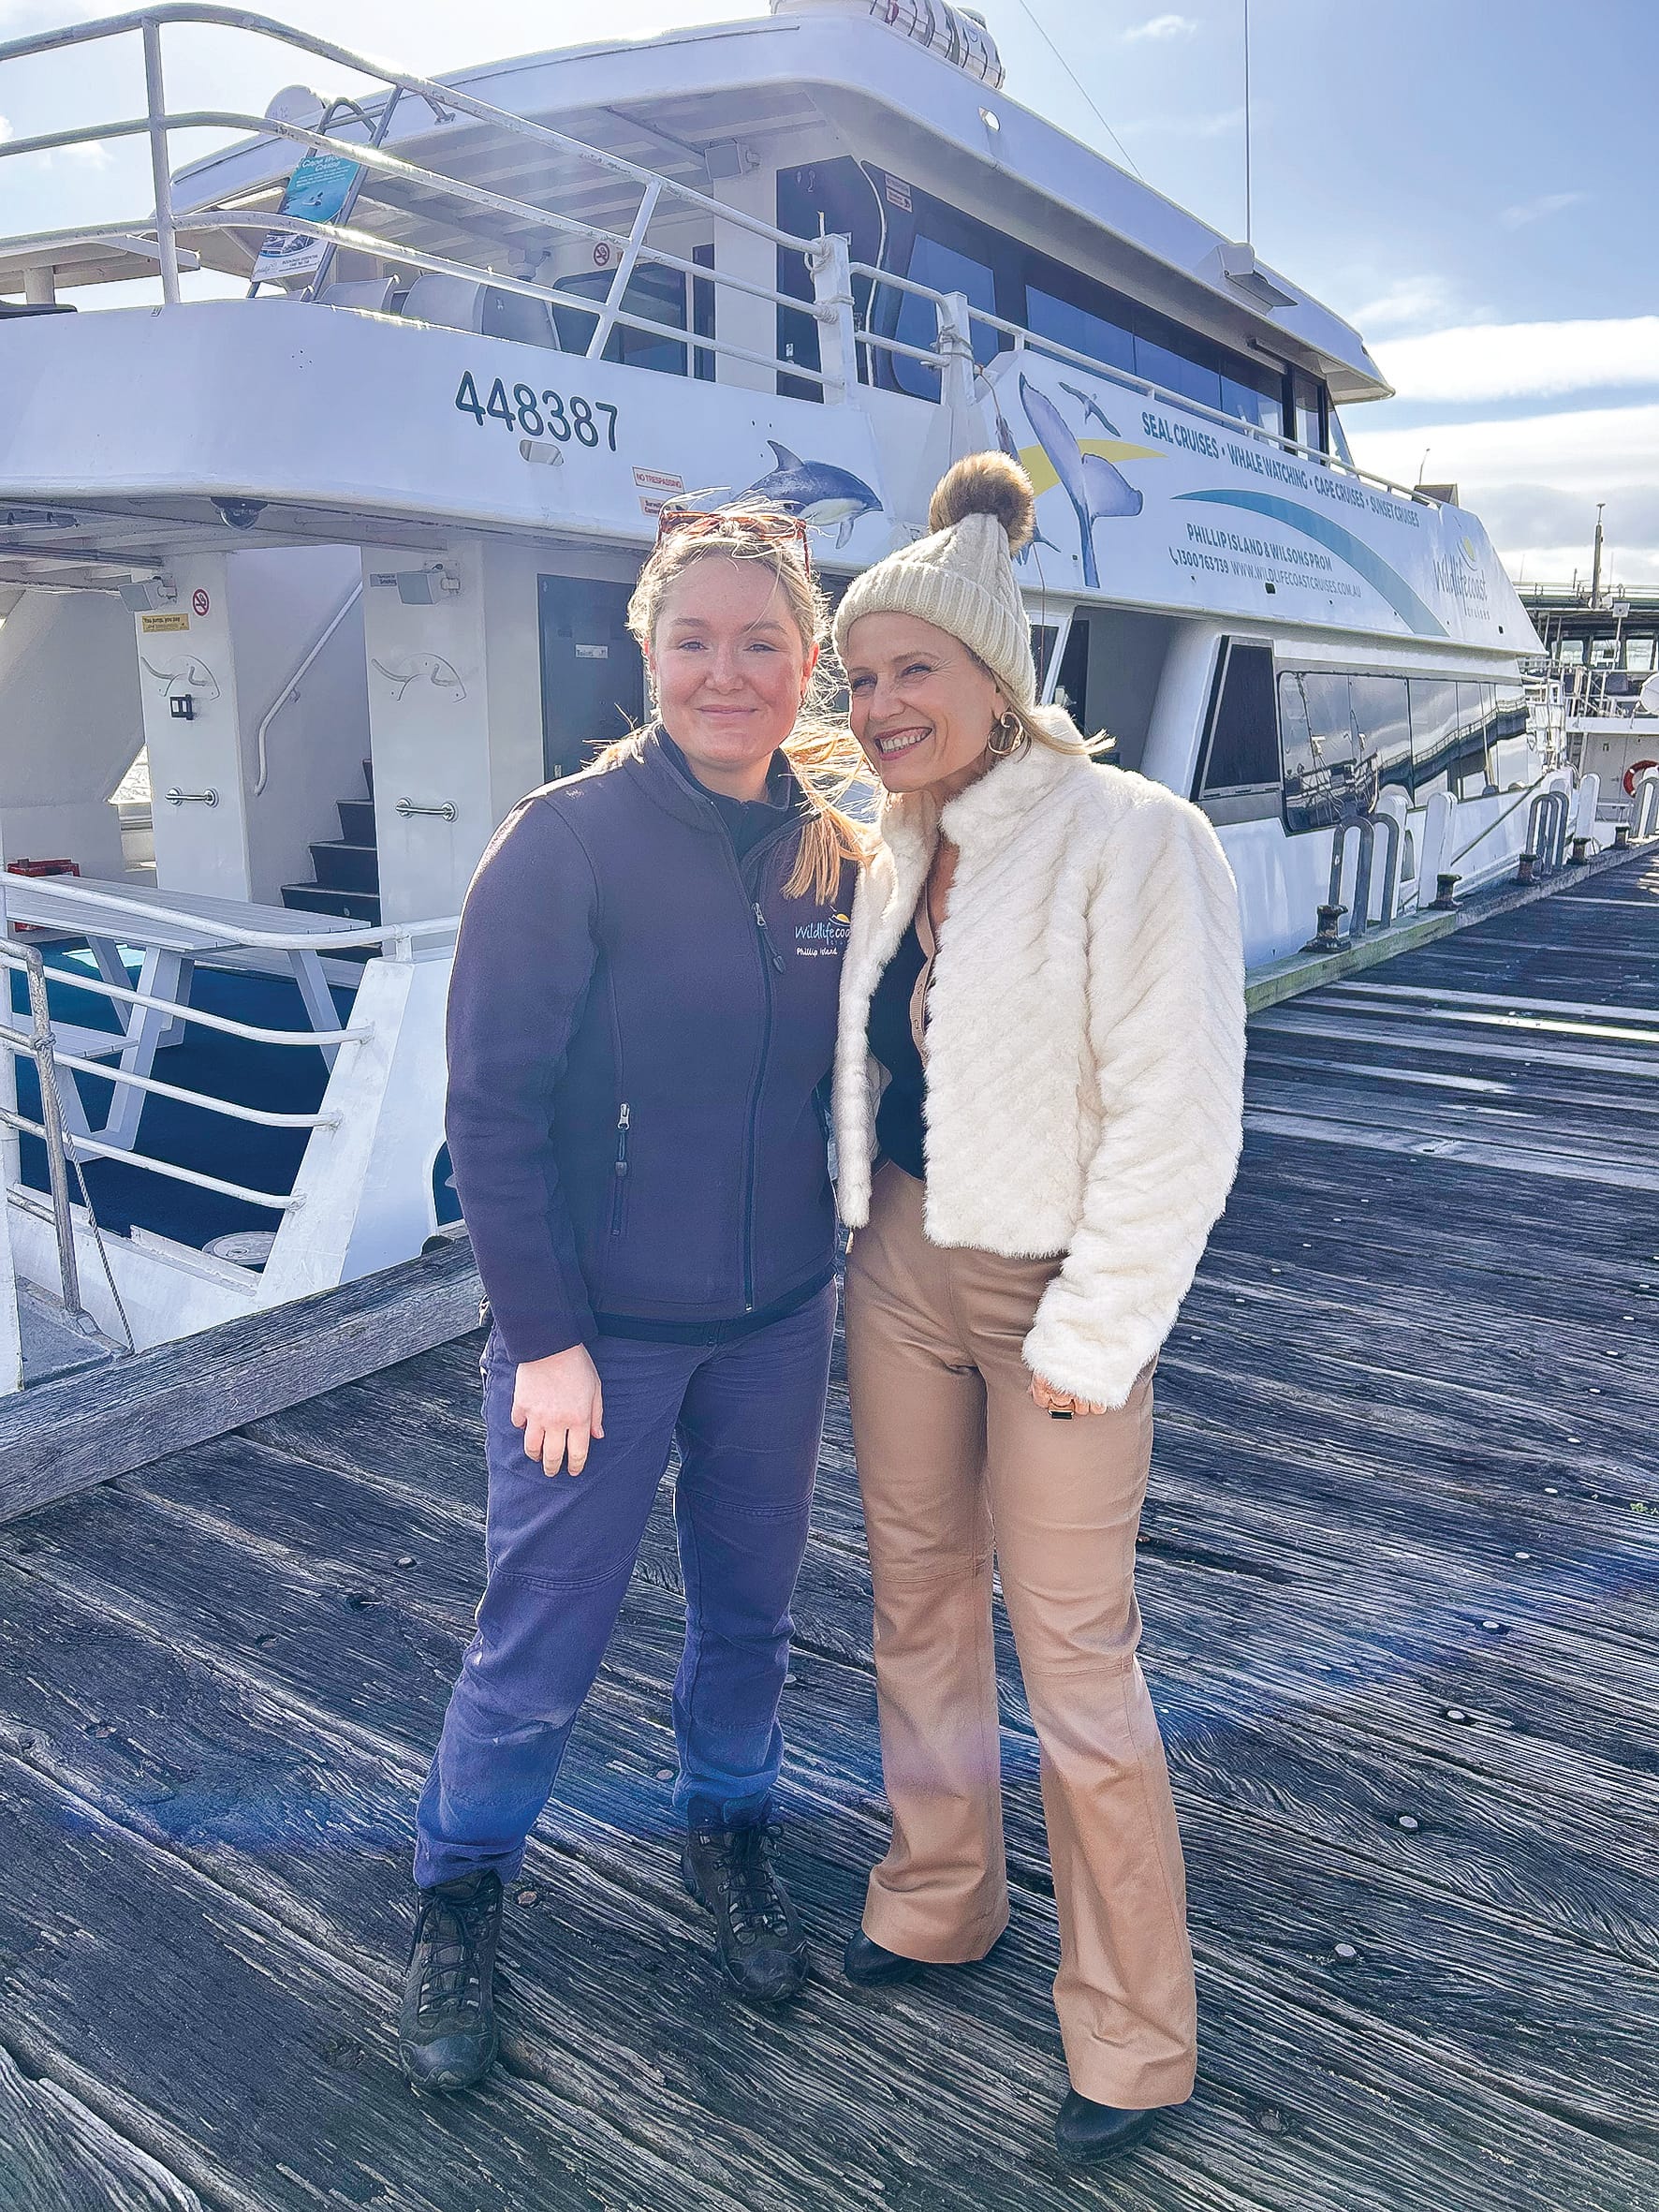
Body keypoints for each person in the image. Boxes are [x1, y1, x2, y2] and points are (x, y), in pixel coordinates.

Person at [398, 504, 867, 2093]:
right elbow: (492, 1111)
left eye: (761, 643)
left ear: (807, 661)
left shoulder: (834, 852)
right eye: (694, 641)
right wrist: (544, 1339)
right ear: (648, 651)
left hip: (778, 1321)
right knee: (540, 1636)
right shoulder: (565, 842)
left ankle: (726, 1838)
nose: (727, 673)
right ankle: (460, 1892)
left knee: (751, 1619)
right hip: (596, 1341)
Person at [830, 453, 1246, 2163]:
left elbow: (1180, 1116)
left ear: (996, 673)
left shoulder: (1137, 835)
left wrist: (1097, 1334)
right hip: (900, 1261)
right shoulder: (897, 843)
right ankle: (940, 1895)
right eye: (859, 677)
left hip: (1059, 1285)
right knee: (918, 1599)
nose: (878, 704)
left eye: (911, 669)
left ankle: (1135, 2035)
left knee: (1077, 1653)